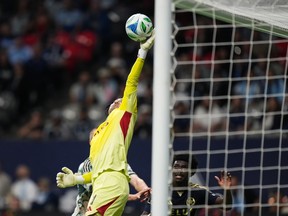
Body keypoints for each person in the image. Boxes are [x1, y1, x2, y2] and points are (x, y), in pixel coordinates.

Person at [56, 30, 155, 216]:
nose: (118, 101)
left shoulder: (124, 116)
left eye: (121, 100)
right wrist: (75, 179)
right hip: (101, 182)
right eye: (116, 100)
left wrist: (142, 53)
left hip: (111, 183)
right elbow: (97, 172)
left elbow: (131, 83)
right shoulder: (99, 133)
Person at [141, 152, 233, 216]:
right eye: (176, 167)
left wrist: (227, 190)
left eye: (184, 168)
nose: (179, 171)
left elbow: (226, 206)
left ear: (191, 172)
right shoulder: (160, 192)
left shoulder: (198, 191)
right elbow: (145, 214)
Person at [70, 157, 150, 216]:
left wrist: (147, 191)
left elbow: (136, 181)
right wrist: (133, 197)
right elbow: (100, 194)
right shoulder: (87, 165)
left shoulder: (119, 163)